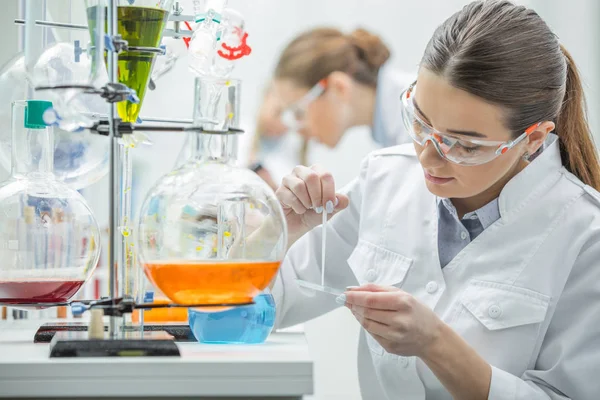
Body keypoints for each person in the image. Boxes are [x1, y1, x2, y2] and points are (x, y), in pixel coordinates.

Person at [270, 1, 600, 399]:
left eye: (464, 144)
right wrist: (280, 233)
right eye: (420, 121)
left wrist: (436, 345)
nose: (427, 157)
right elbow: (266, 308)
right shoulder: (385, 179)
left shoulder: (585, 237)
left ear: (531, 139)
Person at [246, 27, 414, 187]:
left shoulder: (418, 120)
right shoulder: (389, 129)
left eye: (298, 112)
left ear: (339, 88)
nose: (298, 130)